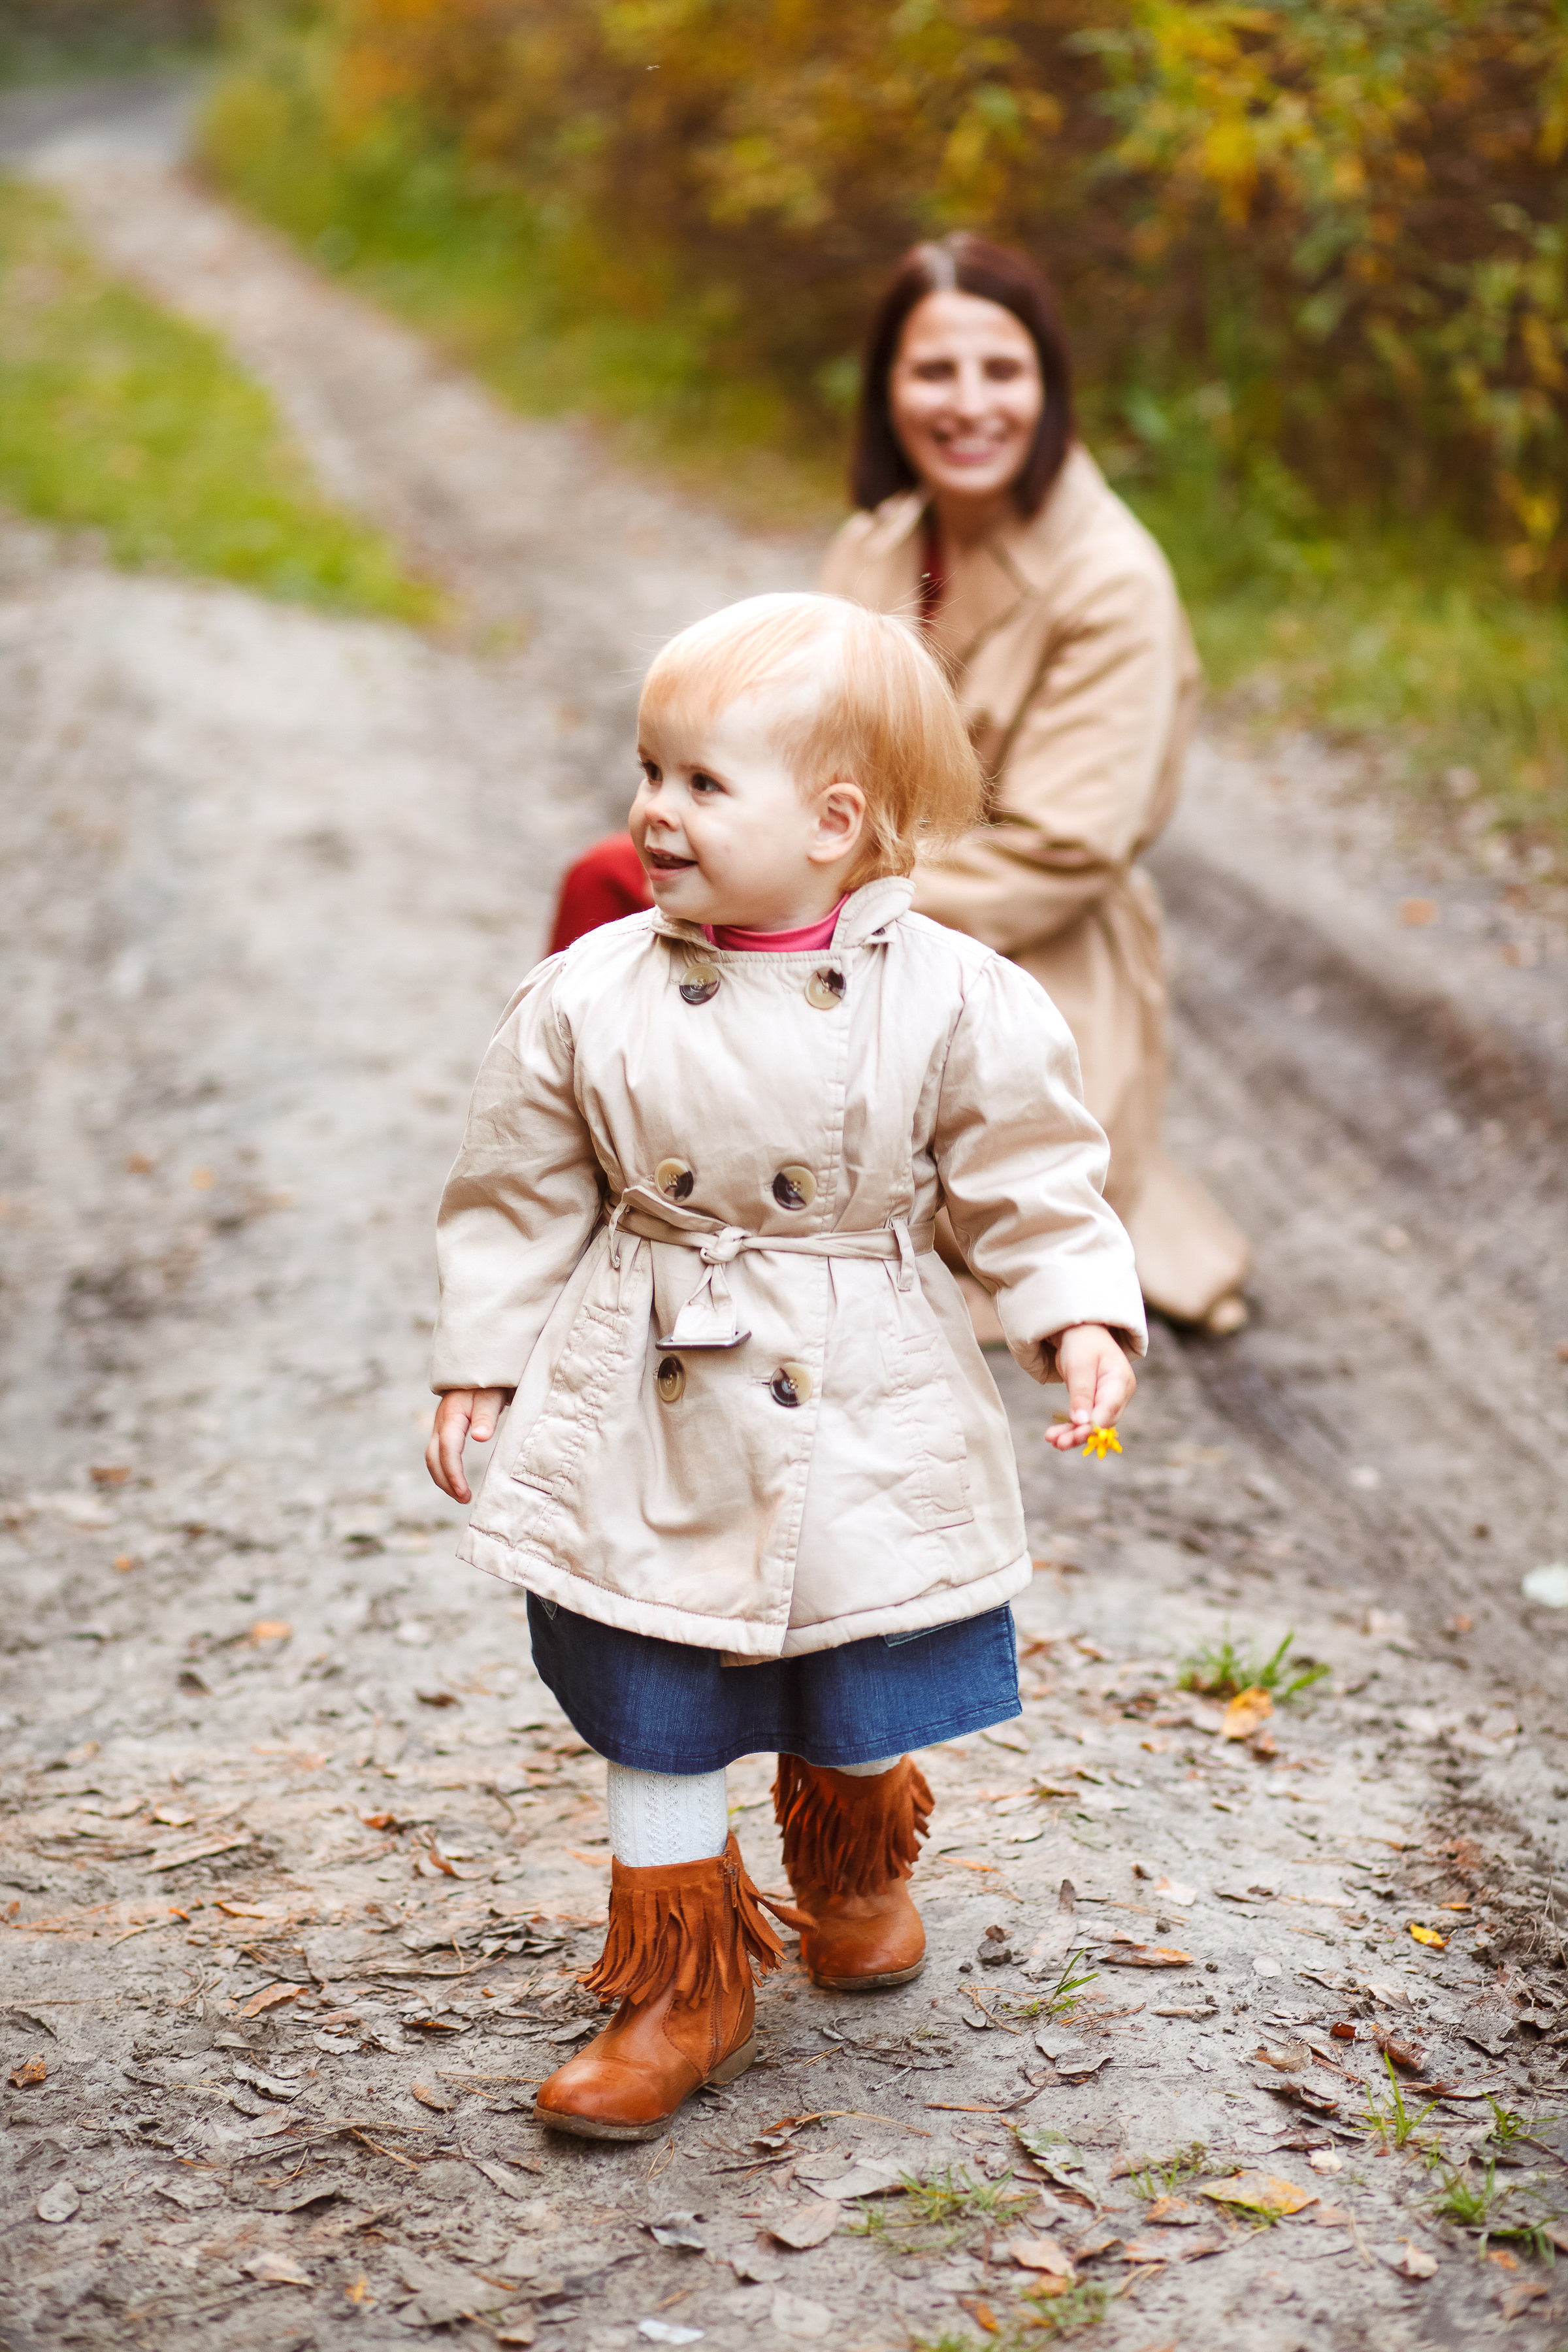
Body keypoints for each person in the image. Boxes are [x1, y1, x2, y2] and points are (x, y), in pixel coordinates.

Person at [425, 591, 1144, 2142]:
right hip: (656, 1378)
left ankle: (856, 1861)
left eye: (699, 783)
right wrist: (480, 1361)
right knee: (658, 1669)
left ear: (833, 823)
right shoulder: (592, 990)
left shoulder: (955, 995)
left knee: (855, 1624)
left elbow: (1030, 1176)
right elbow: (517, 1191)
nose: (652, 811)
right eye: (650, 769)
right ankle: (685, 1979)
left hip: (859, 1357)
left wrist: (1077, 1310)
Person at [821, 233, 1250, 1334]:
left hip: (1024, 944)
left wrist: (821, 890)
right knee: (621, 890)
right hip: (851, 903)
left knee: (937, 1236)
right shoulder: (875, 546)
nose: (970, 404)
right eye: (934, 371)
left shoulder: (1112, 579)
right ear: (888, 392)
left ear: (1050, 388)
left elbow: (1060, 853)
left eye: (1003, 371)